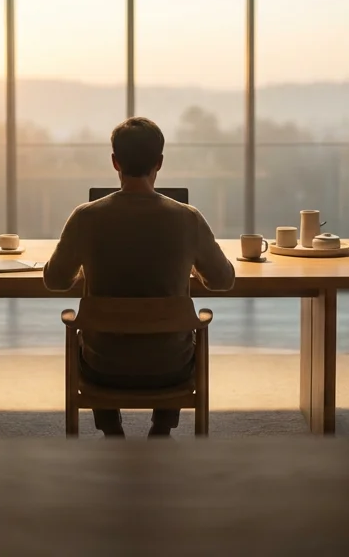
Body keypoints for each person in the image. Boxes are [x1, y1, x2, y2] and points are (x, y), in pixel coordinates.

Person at [43, 117, 235, 438]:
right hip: (170, 370)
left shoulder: (85, 217)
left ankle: (110, 428)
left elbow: (55, 281)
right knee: (181, 336)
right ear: (159, 162)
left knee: (88, 337)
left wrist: (86, 264)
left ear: (115, 161)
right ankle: (162, 426)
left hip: (103, 369)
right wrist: (186, 264)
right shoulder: (187, 219)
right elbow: (223, 280)